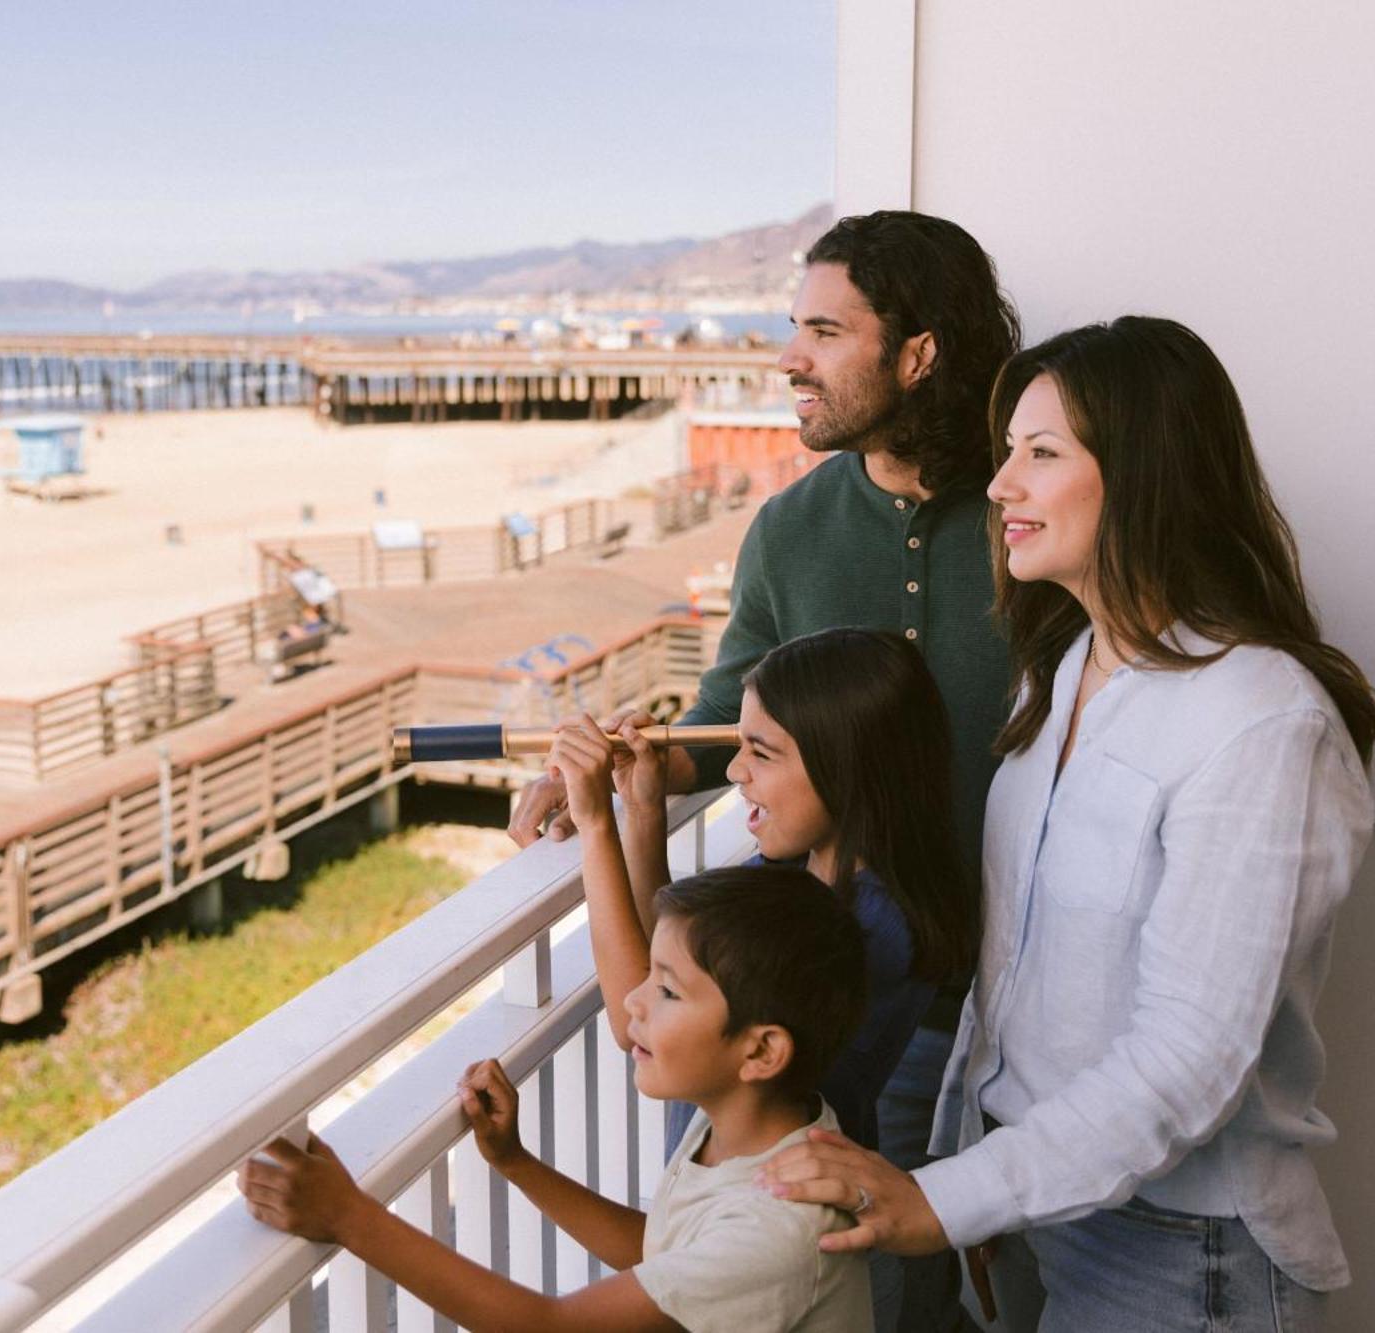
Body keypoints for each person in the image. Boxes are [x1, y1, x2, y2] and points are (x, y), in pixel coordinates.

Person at [757, 317, 1375, 1333]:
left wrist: (946, 1196)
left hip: (1183, 1256)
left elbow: (1189, 1055)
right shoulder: (1060, 671)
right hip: (1045, 1210)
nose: (1000, 485)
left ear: (1145, 477)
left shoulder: (1259, 717)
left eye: (1039, 455)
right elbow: (1015, 979)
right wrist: (991, 1173)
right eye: (1007, 452)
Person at [511, 209, 1019, 1332]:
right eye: (793, 327)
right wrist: (603, 780)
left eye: (823, 331)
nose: (787, 358)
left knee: (994, 1281)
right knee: (856, 1278)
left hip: (1022, 989)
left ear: (917, 352)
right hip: (848, 991)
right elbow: (714, 717)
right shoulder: (789, 528)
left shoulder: (1029, 508)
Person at [239, 867, 874, 1332]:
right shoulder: (753, 1131)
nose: (633, 1001)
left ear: (761, 1052)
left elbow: (550, 1327)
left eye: (670, 992)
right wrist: (517, 1163)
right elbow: (668, 1252)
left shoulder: (778, 1222)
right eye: (648, 976)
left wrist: (349, 1216)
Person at [544, 628, 975, 1155]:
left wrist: (595, 824)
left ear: (846, 766)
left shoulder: (866, 925)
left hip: (767, 1201)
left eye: (762, 753)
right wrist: (640, 810)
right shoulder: (802, 869)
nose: (733, 770)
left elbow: (636, 1020)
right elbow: (678, 956)